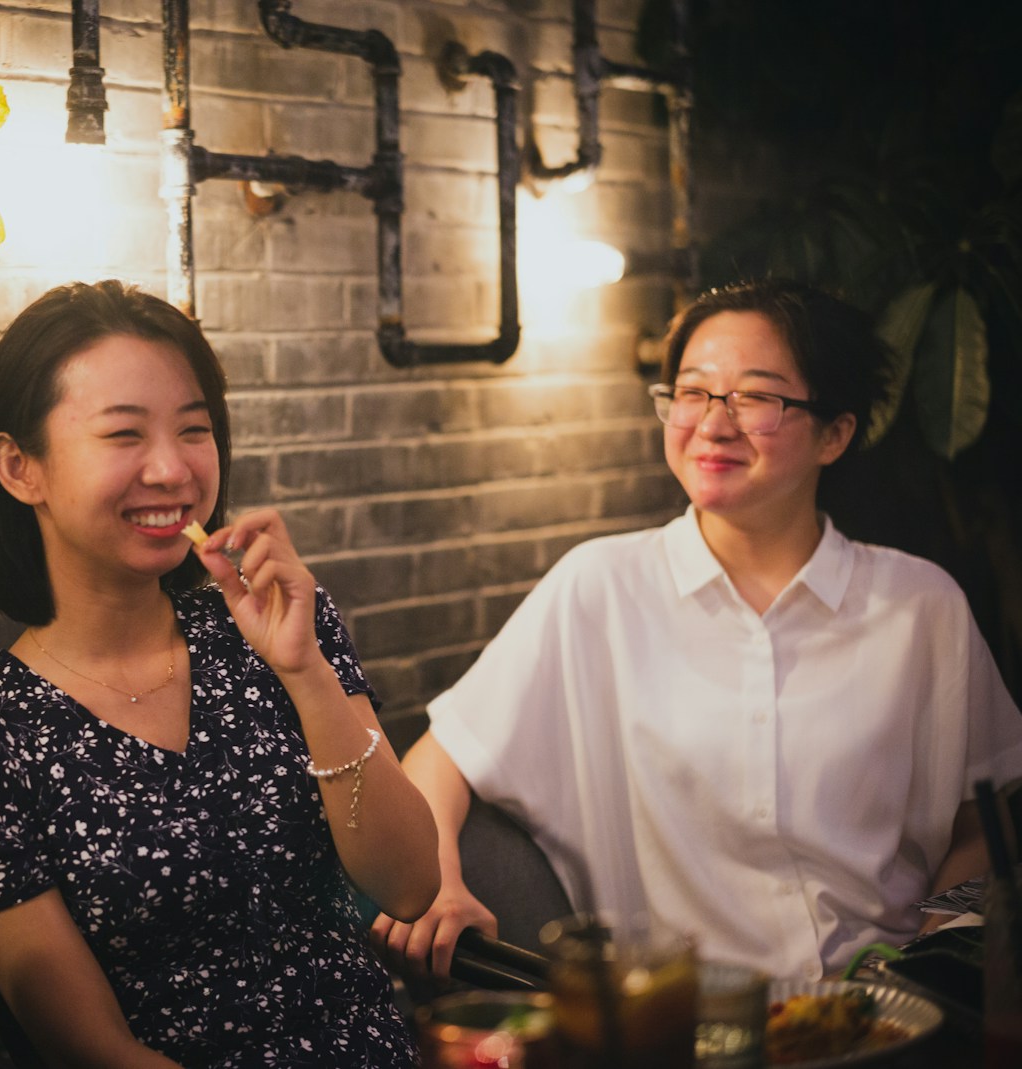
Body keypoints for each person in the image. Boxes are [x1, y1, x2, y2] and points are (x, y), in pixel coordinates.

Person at [372, 278, 1022, 983]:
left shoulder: (920, 605)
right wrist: (440, 885)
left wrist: (938, 949)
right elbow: (440, 760)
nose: (713, 424)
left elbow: (986, 818)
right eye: (692, 392)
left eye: (755, 396)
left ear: (835, 433)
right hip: (686, 1023)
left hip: (891, 1016)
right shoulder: (602, 587)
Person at [0, 280, 440, 1067]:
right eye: (124, 434)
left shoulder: (271, 627)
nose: (172, 469)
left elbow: (410, 884)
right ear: (20, 466)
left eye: (194, 430)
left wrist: (302, 670)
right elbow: (94, 1046)